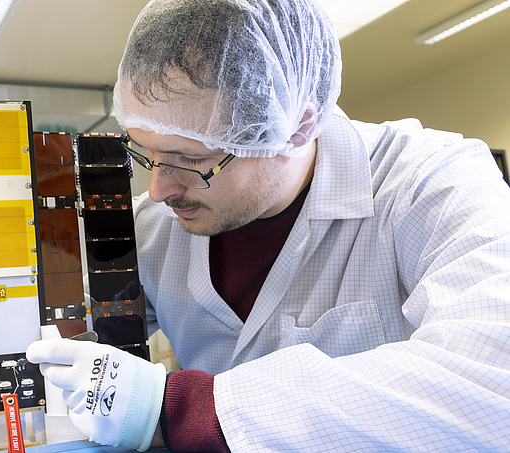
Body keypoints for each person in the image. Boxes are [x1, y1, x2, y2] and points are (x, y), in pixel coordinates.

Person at [26, 0, 510, 451]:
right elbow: (72, 332)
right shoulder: (155, 228)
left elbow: (491, 383)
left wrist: (184, 411)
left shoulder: (428, 182)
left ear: (296, 128)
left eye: (190, 159)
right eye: (146, 154)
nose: (159, 190)